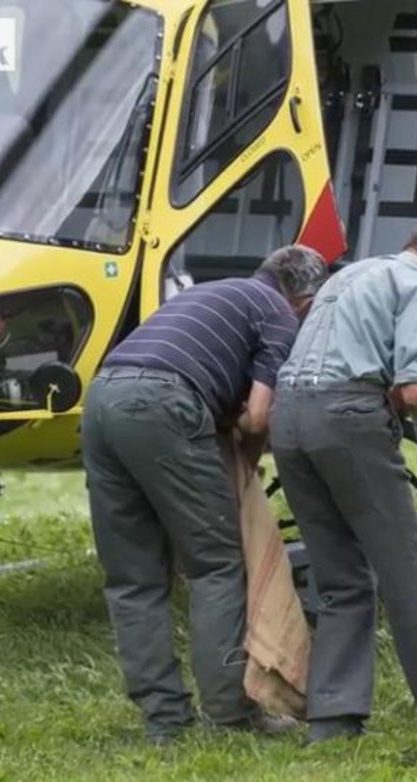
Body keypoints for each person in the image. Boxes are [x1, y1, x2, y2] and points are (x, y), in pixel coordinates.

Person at [268, 221, 417, 743]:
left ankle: (333, 719)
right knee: (405, 567)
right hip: (346, 417)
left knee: (339, 575)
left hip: (287, 419)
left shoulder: (348, 276)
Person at [81, 245, 330, 744]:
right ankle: (229, 711)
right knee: (215, 566)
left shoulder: (212, 294)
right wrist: (245, 468)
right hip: (164, 403)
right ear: (304, 300)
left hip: (102, 399)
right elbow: (257, 417)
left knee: (132, 577)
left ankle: (163, 719)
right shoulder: (279, 314)